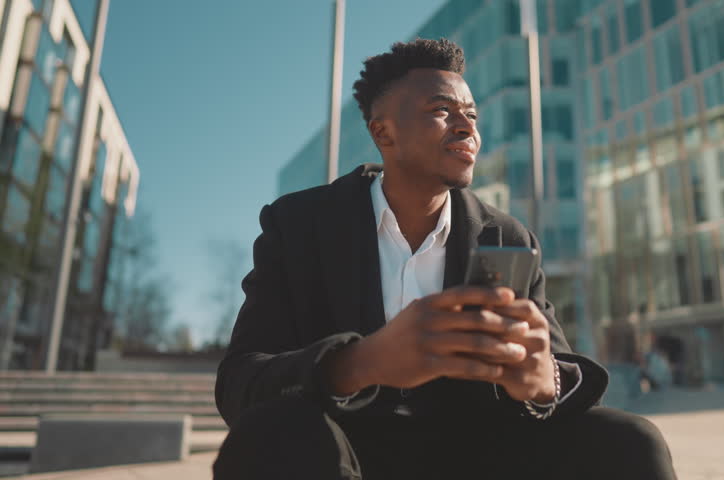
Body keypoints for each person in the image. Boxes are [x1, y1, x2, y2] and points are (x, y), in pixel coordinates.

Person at [213, 38, 677, 480]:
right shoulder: (299, 225)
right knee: (270, 433)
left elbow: (556, 373)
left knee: (629, 440)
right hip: (341, 450)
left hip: (477, 455)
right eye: (441, 110)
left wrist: (543, 381)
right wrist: (361, 362)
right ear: (383, 132)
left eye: (471, 114)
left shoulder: (508, 237)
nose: (466, 126)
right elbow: (241, 384)